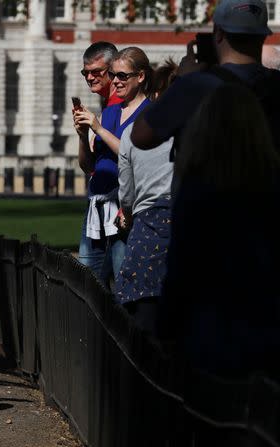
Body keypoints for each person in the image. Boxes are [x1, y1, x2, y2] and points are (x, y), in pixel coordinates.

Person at [158, 83, 280, 377]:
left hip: (211, 326)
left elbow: (182, 264)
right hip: (267, 322)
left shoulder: (198, 191)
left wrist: (166, 327)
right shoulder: (271, 186)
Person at [131, 0, 280, 155]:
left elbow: (140, 136)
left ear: (218, 34)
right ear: (263, 36)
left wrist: (180, 80)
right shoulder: (276, 84)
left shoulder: (197, 85)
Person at [73, 47, 152, 284]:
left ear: (140, 76)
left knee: (122, 279)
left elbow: (134, 156)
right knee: (86, 283)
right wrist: (82, 135)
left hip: (123, 208)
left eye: (121, 76)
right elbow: (89, 166)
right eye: (114, 75)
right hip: (96, 203)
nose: (115, 81)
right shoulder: (109, 112)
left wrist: (98, 129)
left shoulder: (148, 113)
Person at [114, 60, 177, 334]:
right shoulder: (199, 127)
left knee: (141, 307)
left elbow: (126, 192)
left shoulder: (132, 133)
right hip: (187, 221)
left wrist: (126, 214)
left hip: (148, 223)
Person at [81, 42, 124, 107]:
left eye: (95, 71)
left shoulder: (123, 103)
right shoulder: (108, 101)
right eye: (85, 72)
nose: (89, 78)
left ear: (112, 69)